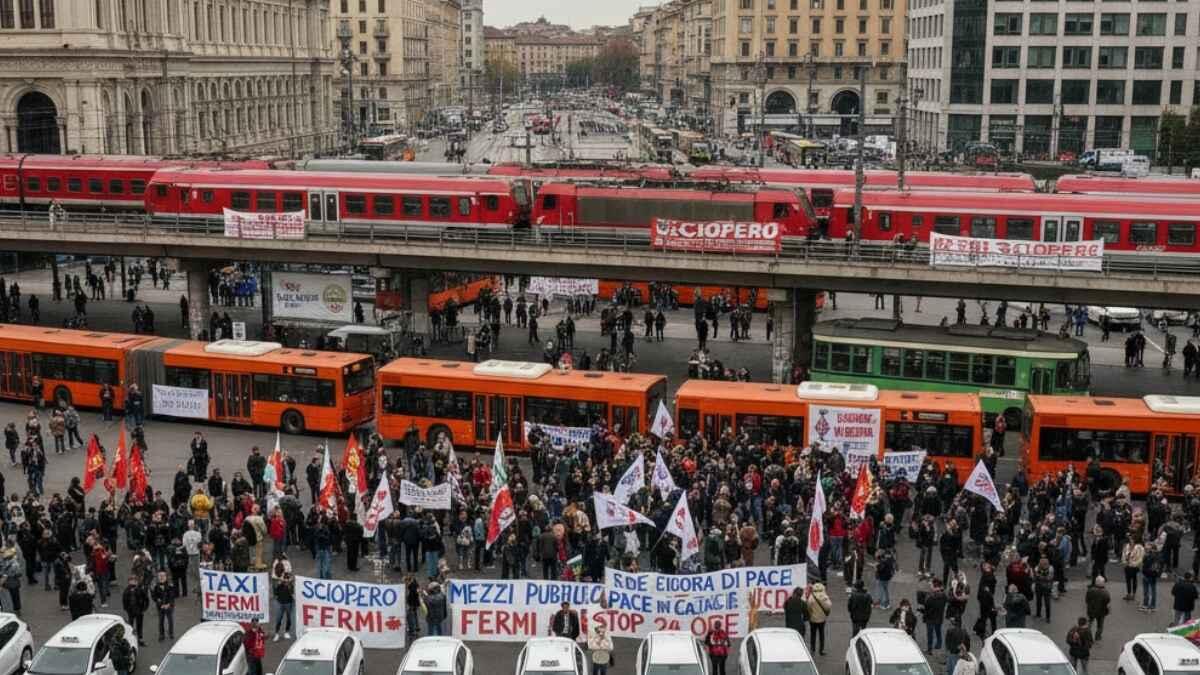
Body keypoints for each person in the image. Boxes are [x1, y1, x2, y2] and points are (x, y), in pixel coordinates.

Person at [920, 579, 947, 655]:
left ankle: (929, 649)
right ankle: (939, 643)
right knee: (938, 630)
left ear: (935, 587)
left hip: (930, 619)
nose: (930, 586)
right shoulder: (944, 596)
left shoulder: (930, 598)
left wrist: (922, 611)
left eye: (931, 585)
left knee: (930, 634)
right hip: (939, 617)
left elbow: (927, 609)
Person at [121, 575, 149, 646]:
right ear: (129, 582)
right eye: (131, 580)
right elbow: (124, 600)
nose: (133, 582)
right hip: (131, 611)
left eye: (135, 581)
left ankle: (140, 639)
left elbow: (146, 599)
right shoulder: (127, 590)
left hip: (139, 610)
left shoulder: (140, 590)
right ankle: (130, 639)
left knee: (139, 625)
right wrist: (127, 609)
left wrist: (144, 608)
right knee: (130, 625)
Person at [805, 583, 832, 656]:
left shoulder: (811, 597)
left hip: (813, 619)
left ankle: (812, 649)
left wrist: (811, 614)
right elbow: (829, 606)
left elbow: (808, 607)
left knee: (813, 635)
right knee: (821, 634)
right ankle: (821, 650)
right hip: (822, 619)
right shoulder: (824, 597)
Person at [151, 569, 176, 642]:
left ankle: (171, 633)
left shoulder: (170, 585)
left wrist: (169, 604)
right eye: (160, 576)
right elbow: (154, 597)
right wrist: (160, 603)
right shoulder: (155, 586)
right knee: (161, 621)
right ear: (158, 577)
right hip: (160, 606)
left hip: (169, 606)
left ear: (166, 577)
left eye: (163, 575)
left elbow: (172, 596)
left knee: (170, 620)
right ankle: (161, 635)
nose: (161, 577)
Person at [1085, 576, 1111, 641]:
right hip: (1101, 612)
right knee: (1100, 626)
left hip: (1091, 610)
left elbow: (1087, 600)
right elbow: (1107, 602)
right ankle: (1097, 637)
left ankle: (1088, 636)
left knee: (1089, 624)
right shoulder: (1105, 593)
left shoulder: (1090, 590)